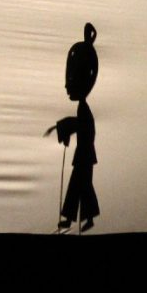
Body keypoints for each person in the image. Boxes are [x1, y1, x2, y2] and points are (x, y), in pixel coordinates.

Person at [46, 23, 99, 232]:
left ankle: (75, 218)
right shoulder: (83, 109)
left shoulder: (84, 110)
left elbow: (79, 125)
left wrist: (60, 128)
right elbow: (78, 125)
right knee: (81, 185)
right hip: (85, 154)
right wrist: (63, 129)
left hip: (85, 154)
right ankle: (79, 218)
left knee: (79, 185)